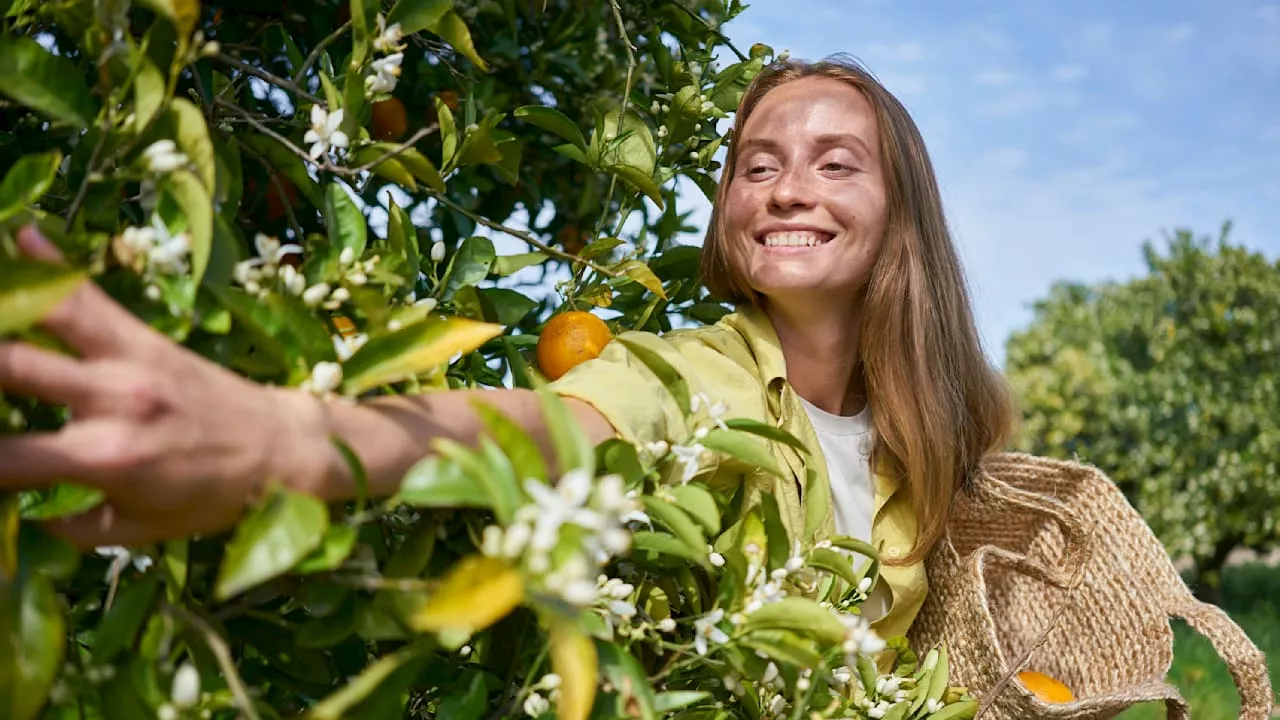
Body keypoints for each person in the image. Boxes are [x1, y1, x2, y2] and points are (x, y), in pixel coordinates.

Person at [0, 56, 1014, 642]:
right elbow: (550, 424)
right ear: (726, 213)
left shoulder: (930, 440)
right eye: (758, 165)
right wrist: (289, 439)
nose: (786, 189)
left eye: (834, 164)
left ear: (899, 214)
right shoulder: (707, 377)